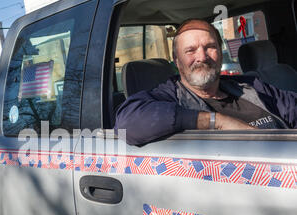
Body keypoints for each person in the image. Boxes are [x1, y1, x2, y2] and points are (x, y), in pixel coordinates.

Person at [114, 18, 297, 146]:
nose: (202, 57)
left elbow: (292, 107)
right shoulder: (169, 96)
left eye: (210, 47)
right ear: (176, 60)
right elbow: (126, 122)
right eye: (190, 50)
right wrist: (216, 121)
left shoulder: (251, 86)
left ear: (219, 51)